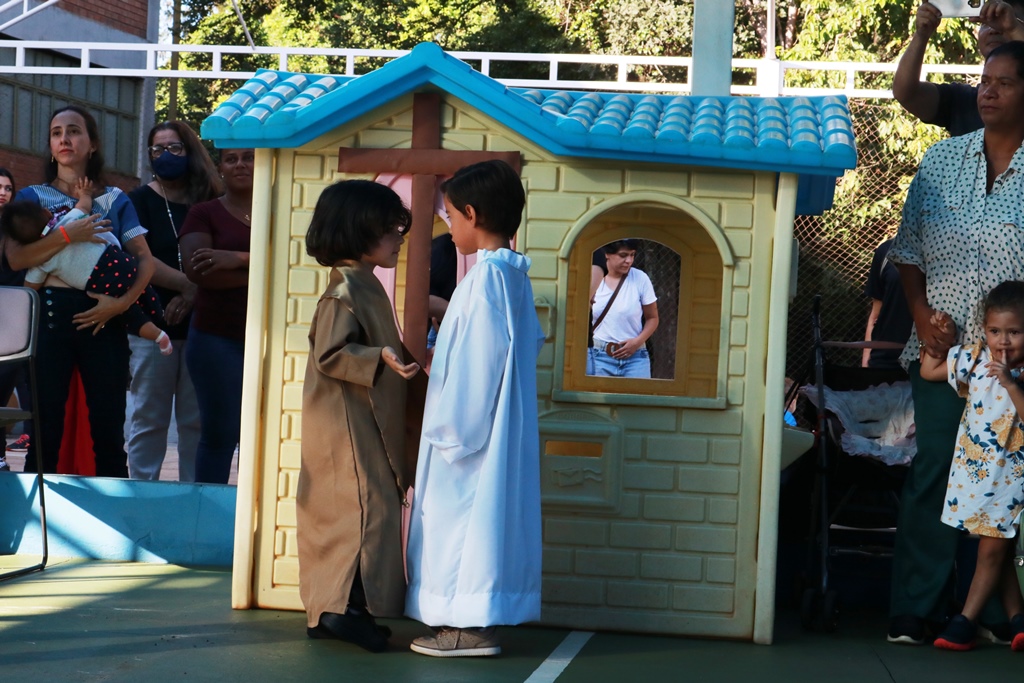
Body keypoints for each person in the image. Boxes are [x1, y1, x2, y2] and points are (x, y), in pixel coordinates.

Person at [886, 41, 1024, 645]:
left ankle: (987, 614)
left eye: (1004, 82)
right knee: (937, 470)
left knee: (1004, 482)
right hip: (944, 360)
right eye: (984, 80)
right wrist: (920, 317)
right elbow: (907, 248)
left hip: (1014, 368)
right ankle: (913, 609)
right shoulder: (941, 160)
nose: (987, 91)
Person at [405, 159, 545, 657]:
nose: (448, 225)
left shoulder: (485, 279)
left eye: (450, 215)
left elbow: (477, 364)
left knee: (461, 525)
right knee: (486, 523)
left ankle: (467, 627)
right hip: (497, 428)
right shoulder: (512, 276)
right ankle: (474, 621)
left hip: (470, 436)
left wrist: (451, 433)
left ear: (472, 213)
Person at [298, 180, 420, 653]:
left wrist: (393, 358)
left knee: (364, 511)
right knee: (359, 511)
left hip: (358, 414)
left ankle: (340, 608)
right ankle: (338, 610)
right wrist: (378, 357)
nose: (398, 238)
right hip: (345, 420)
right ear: (358, 230)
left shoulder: (363, 284)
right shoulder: (345, 289)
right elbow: (330, 354)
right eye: (390, 229)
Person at [10, 105, 151, 477]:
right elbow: (16, 258)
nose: (64, 139)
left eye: (74, 131)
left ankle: (116, 509)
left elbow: (145, 262)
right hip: (48, 317)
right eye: (56, 133)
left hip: (105, 317)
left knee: (109, 428)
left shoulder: (116, 198)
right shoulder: (31, 196)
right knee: (44, 428)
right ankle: (37, 508)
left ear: (93, 143)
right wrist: (68, 234)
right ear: (50, 145)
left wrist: (121, 304)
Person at [918, 281, 1024, 651]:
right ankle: (1018, 619)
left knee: (991, 550)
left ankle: (965, 622)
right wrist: (941, 339)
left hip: (1012, 476)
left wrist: (1010, 383)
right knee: (997, 548)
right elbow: (929, 370)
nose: (1003, 341)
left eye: (1014, 332)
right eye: (995, 331)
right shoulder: (975, 358)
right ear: (984, 330)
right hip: (975, 475)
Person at [126, 121, 222, 482]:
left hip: (204, 325)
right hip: (152, 326)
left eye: (174, 148)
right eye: (158, 149)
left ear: (190, 151)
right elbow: (138, 257)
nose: (165, 155)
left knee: (195, 421)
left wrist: (195, 294)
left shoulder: (211, 198)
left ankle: (192, 498)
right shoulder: (138, 200)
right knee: (149, 418)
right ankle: (143, 494)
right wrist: (187, 285)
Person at [1, 190, 171, 354]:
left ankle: (157, 335)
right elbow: (83, 206)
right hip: (118, 258)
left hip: (101, 280)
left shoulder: (40, 262)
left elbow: (30, 287)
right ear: (46, 212)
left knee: (129, 313)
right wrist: (85, 194)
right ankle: (157, 310)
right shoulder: (69, 220)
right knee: (139, 285)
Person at [179, 148, 253, 484]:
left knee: (263, 435)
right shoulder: (204, 212)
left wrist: (238, 258)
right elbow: (201, 272)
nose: (240, 164)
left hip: (272, 340)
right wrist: (265, 271)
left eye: (249, 157)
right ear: (220, 167)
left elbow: (296, 262)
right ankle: (207, 510)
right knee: (220, 434)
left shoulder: (281, 211)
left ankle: (255, 511)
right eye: (231, 158)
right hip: (216, 339)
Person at [894, 0, 1024, 135]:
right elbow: (906, 94)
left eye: (1008, 19)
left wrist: (1013, 29)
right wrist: (921, 34)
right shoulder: (963, 101)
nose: (994, 29)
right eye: (985, 23)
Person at [586, 239, 659, 378]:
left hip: (635, 357)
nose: (629, 260)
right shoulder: (594, 278)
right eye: (623, 255)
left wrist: (637, 342)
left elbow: (653, 318)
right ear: (607, 254)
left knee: (638, 393)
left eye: (632, 255)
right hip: (599, 354)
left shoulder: (640, 278)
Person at [0, 166, 23, 471]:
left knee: (5, 388)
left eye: (7, 188)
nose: (3, 193)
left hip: (15, 319)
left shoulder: (19, 228)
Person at [862, 238, 913, 369]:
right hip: (885, 360)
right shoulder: (885, 251)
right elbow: (875, 316)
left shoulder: (947, 252)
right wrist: (865, 367)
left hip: (928, 361)